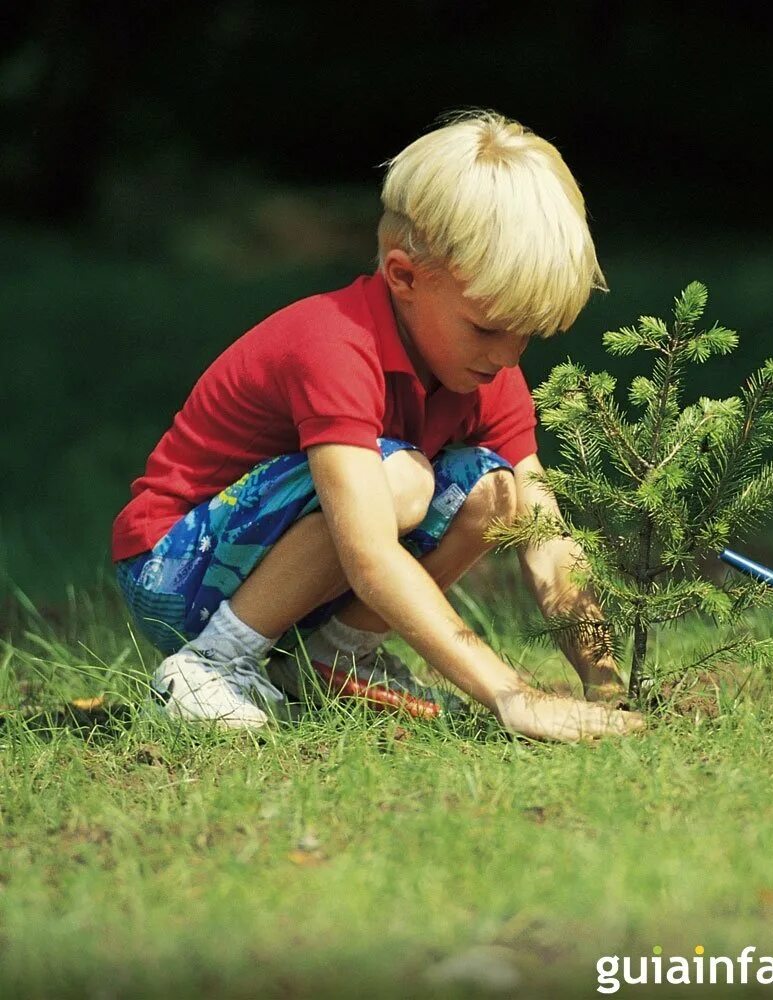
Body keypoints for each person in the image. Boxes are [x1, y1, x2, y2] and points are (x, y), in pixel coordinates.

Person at [111, 110, 644, 742]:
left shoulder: (486, 372)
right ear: (404, 276)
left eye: (525, 333)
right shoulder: (333, 345)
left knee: (500, 493)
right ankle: (209, 665)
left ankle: (333, 660)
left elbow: (545, 537)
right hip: (174, 569)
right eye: (487, 327)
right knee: (401, 480)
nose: (508, 356)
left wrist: (604, 685)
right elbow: (366, 554)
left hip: (276, 572)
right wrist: (512, 696)